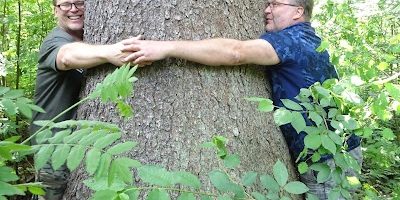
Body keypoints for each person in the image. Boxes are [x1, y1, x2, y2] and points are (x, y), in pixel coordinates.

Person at [122, 0, 361, 199]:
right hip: (335, 151)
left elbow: (235, 52)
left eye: (275, 4)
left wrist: (166, 47)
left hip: (328, 161)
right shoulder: (311, 40)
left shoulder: (293, 40)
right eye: (267, 4)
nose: (266, 10)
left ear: (299, 11)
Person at [29, 0, 139, 199]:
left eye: (79, 2)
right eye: (65, 4)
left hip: (80, 144)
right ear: (55, 10)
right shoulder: (55, 40)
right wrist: (110, 52)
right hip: (53, 146)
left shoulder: (89, 38)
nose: (73, 9)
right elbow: (66, 57)